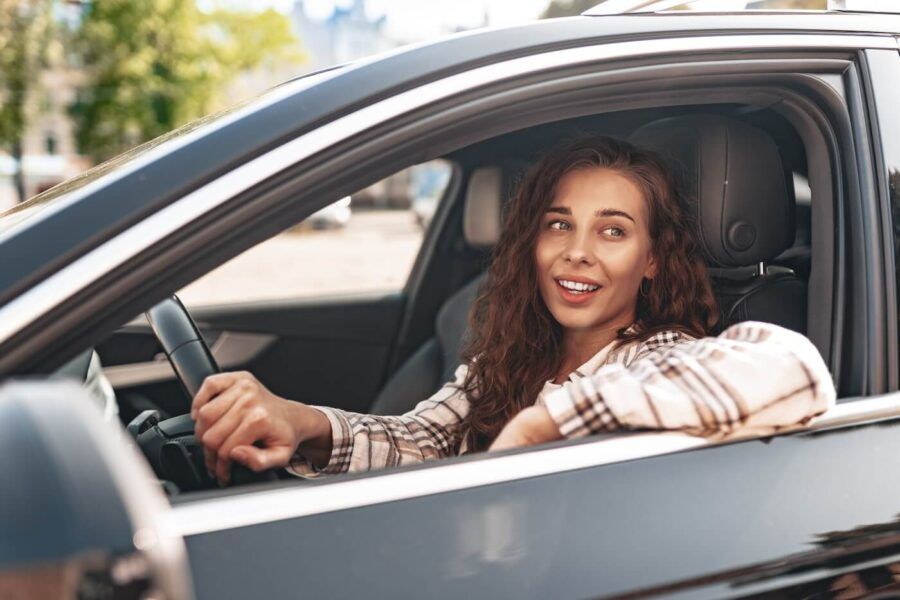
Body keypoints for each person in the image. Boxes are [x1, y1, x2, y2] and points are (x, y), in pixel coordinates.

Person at [191, 136, 835, 485]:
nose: (577, 252)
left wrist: (540, 425)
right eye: (560, 224)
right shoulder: (512, 355)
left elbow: (794, 368)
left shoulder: (656, 357)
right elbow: (422, 441)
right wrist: (301, 421)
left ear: (652, 260)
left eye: (613, 231)